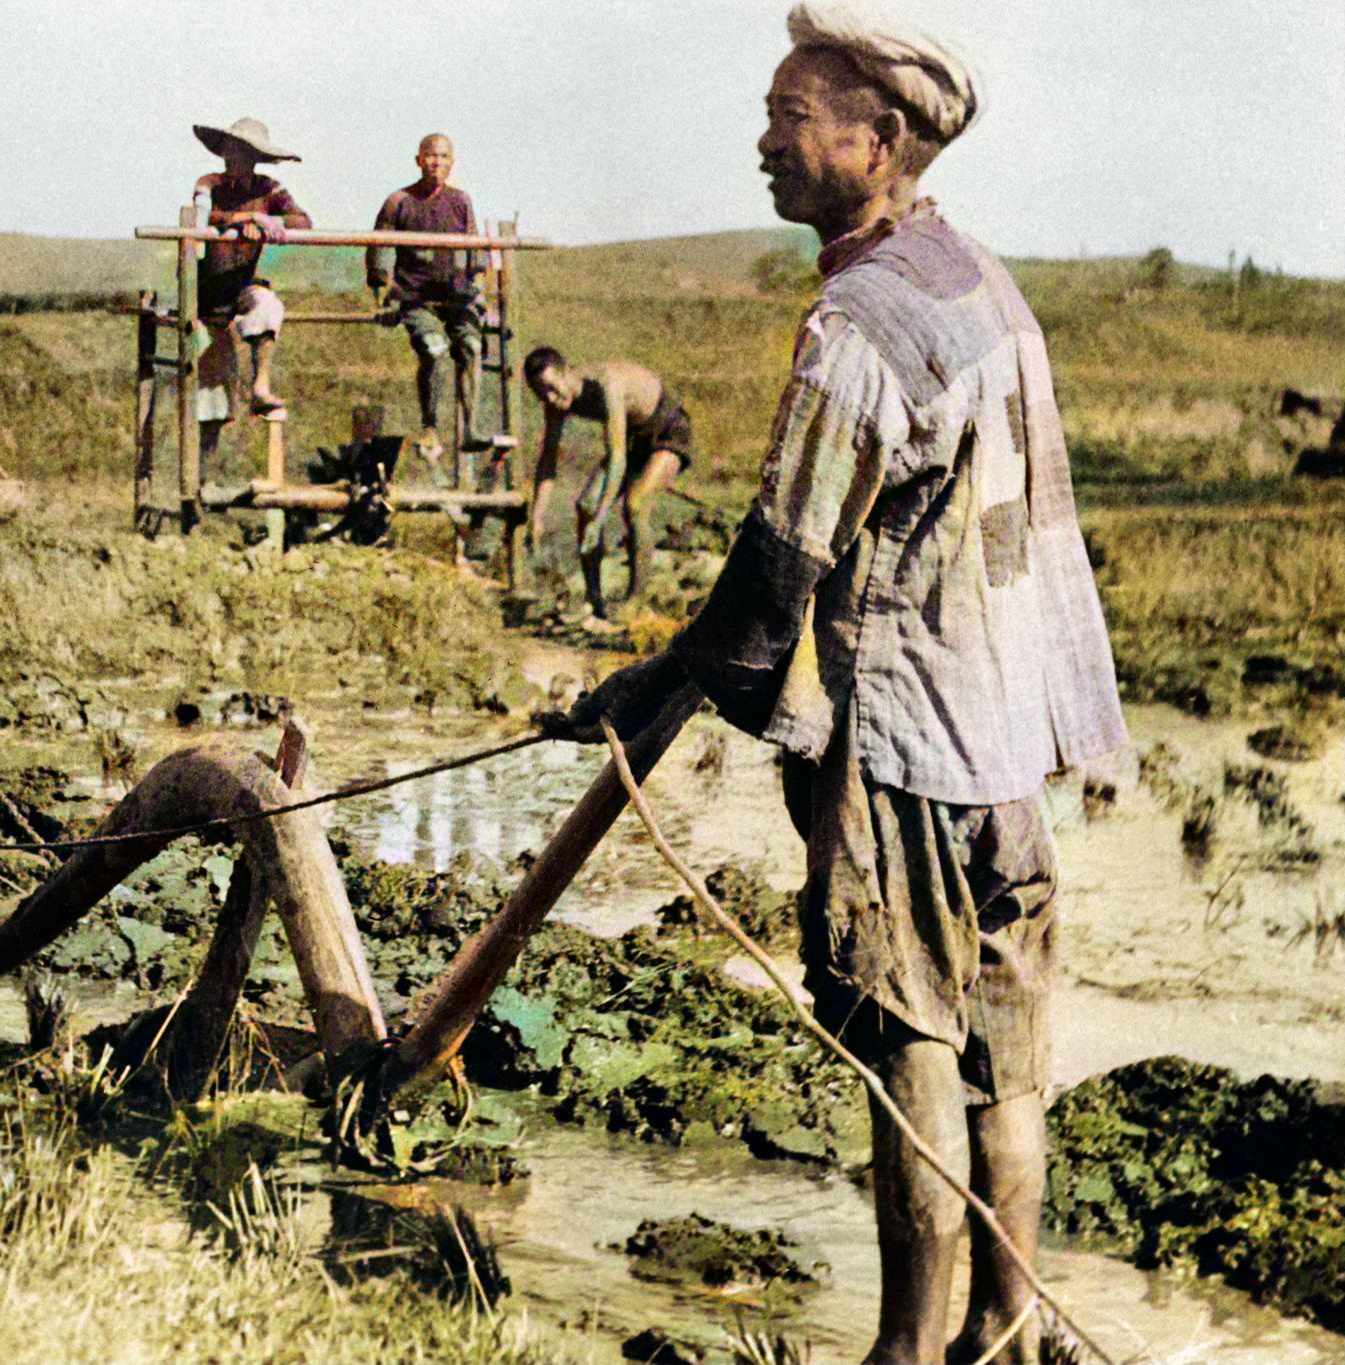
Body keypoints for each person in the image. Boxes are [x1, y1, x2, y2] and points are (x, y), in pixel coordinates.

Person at [544, 7, 1127, 1363]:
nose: (764, 142)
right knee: (1006, 1057)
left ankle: (907, 1353)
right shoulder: (983, 282)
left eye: (790, 116)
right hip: (1008, 750)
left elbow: (773, 577)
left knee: (909, 1045)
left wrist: (651, 684)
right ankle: (1006, 1323)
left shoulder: (857, 324)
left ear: (879, 141)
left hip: (910, 744)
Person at [523, 348, 694, 629]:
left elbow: (617, 457)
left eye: (553, 389)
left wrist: (602, 518)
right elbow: (547, 460)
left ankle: (634, 603)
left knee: (634, 505)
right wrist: (536, 517)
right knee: (585, 507)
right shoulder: (554, 402)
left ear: (566, 371)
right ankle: (595, 601)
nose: (551, 399)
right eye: (542, 394)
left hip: (667, 429)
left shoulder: (608, 385)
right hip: (632, 438)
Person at [190, 118, 312, 468]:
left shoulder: (269, 187)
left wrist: (274, 221)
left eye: (244, 152)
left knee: (267, 305)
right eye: (231, 150)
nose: (236, 158)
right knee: (211, 400)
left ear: (256, 156)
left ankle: (260, 384)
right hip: (207, 295)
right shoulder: (209, 183)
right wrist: (244, 220)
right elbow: (200, 218)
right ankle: (201, 480)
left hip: (242, 285)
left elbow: (302, 221)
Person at [366, 134, 486, 465]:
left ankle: (471, 427)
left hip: (455, 296)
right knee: (434, 349)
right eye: (430, 156)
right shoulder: (399, 201)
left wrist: (479, 291)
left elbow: (475, 253)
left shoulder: (461, 201)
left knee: (472, 348)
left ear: (452, 162)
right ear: (419, 160)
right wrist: (383, 297)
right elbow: (379, 250)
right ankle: (429, 426)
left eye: (443, 157)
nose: (436, 163)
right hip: (414, 297)